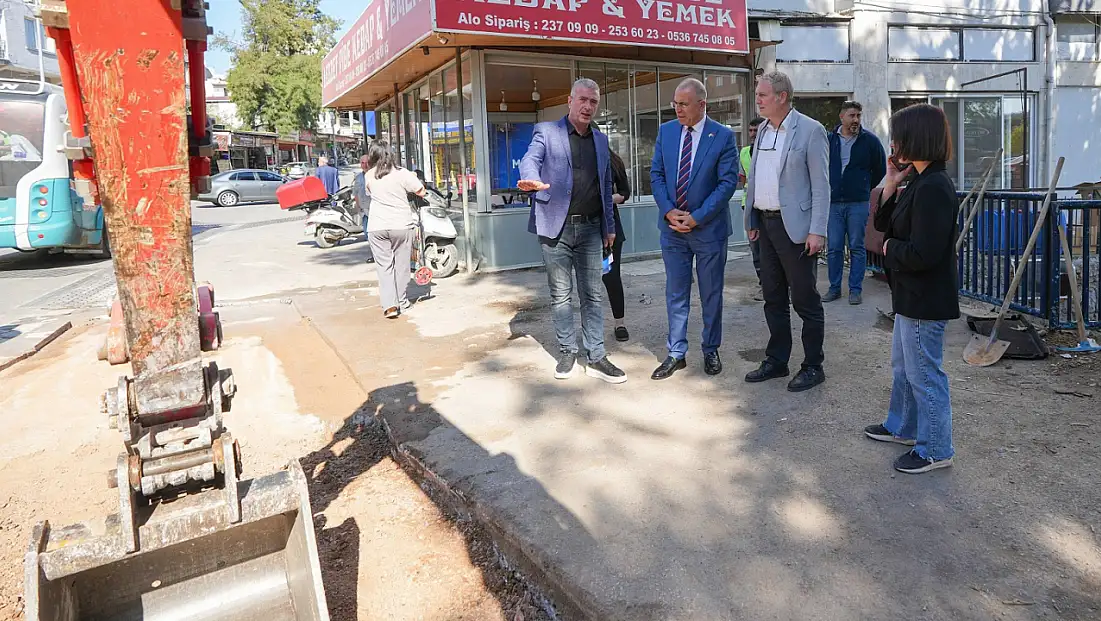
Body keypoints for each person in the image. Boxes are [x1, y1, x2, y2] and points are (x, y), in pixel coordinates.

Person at [863, 104, 958, 474]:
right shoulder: (917, 179)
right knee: (905, 367)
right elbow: (886, 220)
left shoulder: (934, 186)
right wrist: (890, 180)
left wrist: (890, 249)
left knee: (924, 374)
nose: (893, 142)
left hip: (925, 297)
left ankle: (935, 448)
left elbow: (925, 252)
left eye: (899, 135)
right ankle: (903, 427)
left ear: (917, 137)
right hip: (909, 295)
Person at [518, 78, 626, 384]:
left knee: (592, 294)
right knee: (561, 295)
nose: (588, 106)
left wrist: (609, 226)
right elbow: (530, 160)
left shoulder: (601, 141)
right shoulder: (547, 132)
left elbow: (606, 186)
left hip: (592, 229)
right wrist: (528, 178)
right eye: (583, 100)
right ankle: (567, 351)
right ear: (570, 101)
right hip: (556, 229)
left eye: (593, 101)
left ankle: (597, 356)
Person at [743, 71, 830, 393]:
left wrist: (817, 230)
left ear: (781, 97)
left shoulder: (810, 130)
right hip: (764, 226)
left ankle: (813, 365)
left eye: (763, 95)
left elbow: (822, 186)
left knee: (805, 300)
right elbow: (756, 178)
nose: (758, 100)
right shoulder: (763, 131)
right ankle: (777, 360)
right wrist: (751, 219)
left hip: (796, 230)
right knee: (773, 297)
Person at [650, 78, 739, 380]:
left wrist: (697, 217)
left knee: (711, 293)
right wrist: (668, 211)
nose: (677, 108)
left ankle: (710, 348)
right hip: (673, 229)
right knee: (676, 292)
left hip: (708, 230)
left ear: (702, 104)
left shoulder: (723, 136)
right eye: (675, 103)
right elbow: (657, 174)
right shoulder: (666, 131)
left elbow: (727, 183)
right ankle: (676, 352)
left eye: (683, 104)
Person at [825, 101, 887, 306]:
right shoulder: (829, 139)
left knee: (857, 247)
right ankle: (834, 288)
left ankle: (855, 290)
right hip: (833, 203)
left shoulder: (870, 141)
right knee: (833, 247)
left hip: (858, 203)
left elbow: (880, 169)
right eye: (852, 115)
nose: (856, 120)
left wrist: (864, 187)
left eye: (858, 116)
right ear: (841, 117)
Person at [361, 141, 425, 319]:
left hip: (376, 227)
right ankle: (402, 301)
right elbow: (421, 191)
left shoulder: (369, 175)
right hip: (400, 225)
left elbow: (369, 193)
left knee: (384, 267)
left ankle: (390, 306)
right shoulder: (401, 173)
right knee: (402, 266)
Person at [603, 149, 631, 342]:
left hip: (610, 229)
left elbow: (625, 192)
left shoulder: (612, 161)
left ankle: (619, 323)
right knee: (586, 280)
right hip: (583, 231)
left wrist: (607, 200)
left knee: (611, 275)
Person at [740, 117, 765, 301]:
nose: (753, 134)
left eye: (757, 130)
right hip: (749, 205)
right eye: (751, 131)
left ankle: (782, 287)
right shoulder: (744, 153)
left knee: (774, 249)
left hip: (771, 206)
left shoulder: (772, 151)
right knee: (756, 249)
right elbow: (742, 179)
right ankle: (763, 285)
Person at [353, 154, 374, 263]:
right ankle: (374, 255)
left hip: (376, 211)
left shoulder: (376, 176)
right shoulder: (358, 178)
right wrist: (358, 207)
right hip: (364, 211)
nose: (365, 165)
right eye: (362, 163)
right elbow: (356, 193)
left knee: (376, 234)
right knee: (367, 234)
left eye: (367, 163)